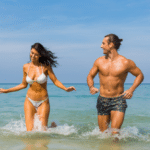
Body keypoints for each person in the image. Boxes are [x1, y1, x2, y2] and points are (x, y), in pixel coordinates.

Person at [0, 43, 76, 131]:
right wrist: (6, 90)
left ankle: (51, 127)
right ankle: (51, 127)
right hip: (29, 100)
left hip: (43, 101)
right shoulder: (26, 67)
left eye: (36, 54)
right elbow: (23, 85)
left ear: (40, 55)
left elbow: (55, 81)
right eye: (32, 53)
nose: (33, 56)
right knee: (30, 132)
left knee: (42, 131)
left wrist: (65, 88)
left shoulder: (45, 66)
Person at [87, 34, 144, 135]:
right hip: (102, 100)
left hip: (118, 101)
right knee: (103, 134)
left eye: (103, 43)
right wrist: (91, 87)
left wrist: (131, 90)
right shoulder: (99, 61)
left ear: (111, 45)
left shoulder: (126, 62)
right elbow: (90, 76)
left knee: (115, 133)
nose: (101, 46)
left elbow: (139, 75)